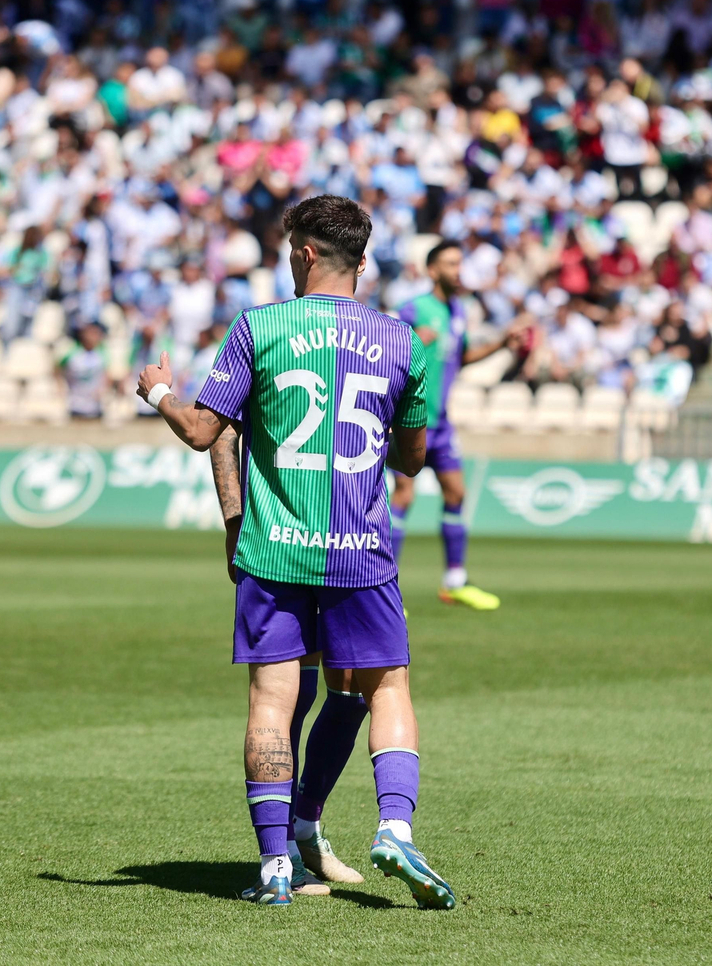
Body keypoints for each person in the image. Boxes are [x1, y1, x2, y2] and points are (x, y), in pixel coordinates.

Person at [136, 195, 455, 909]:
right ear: (361, 262)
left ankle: (277, 861)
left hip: (276, 550)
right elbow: (411, 459)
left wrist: (158, 391)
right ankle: (396, 826)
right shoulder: (404, 342)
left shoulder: (258, 328)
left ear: (305, 253)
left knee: (272, 703)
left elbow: (201, 429)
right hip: (359, 552)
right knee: (388, 687)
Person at [389, 240, 524, 611]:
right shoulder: (414, 309)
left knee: (456, 492)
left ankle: (454, 581)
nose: (458, 270)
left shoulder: (459, 311)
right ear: (432, 270)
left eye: (459, 263)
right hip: (409, 421)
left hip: (442, 424)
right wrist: (412, 340)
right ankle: (386, 581)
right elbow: (386, 353)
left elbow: (459, 357)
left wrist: (500, 344)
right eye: (450, 264)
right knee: (404, 495)